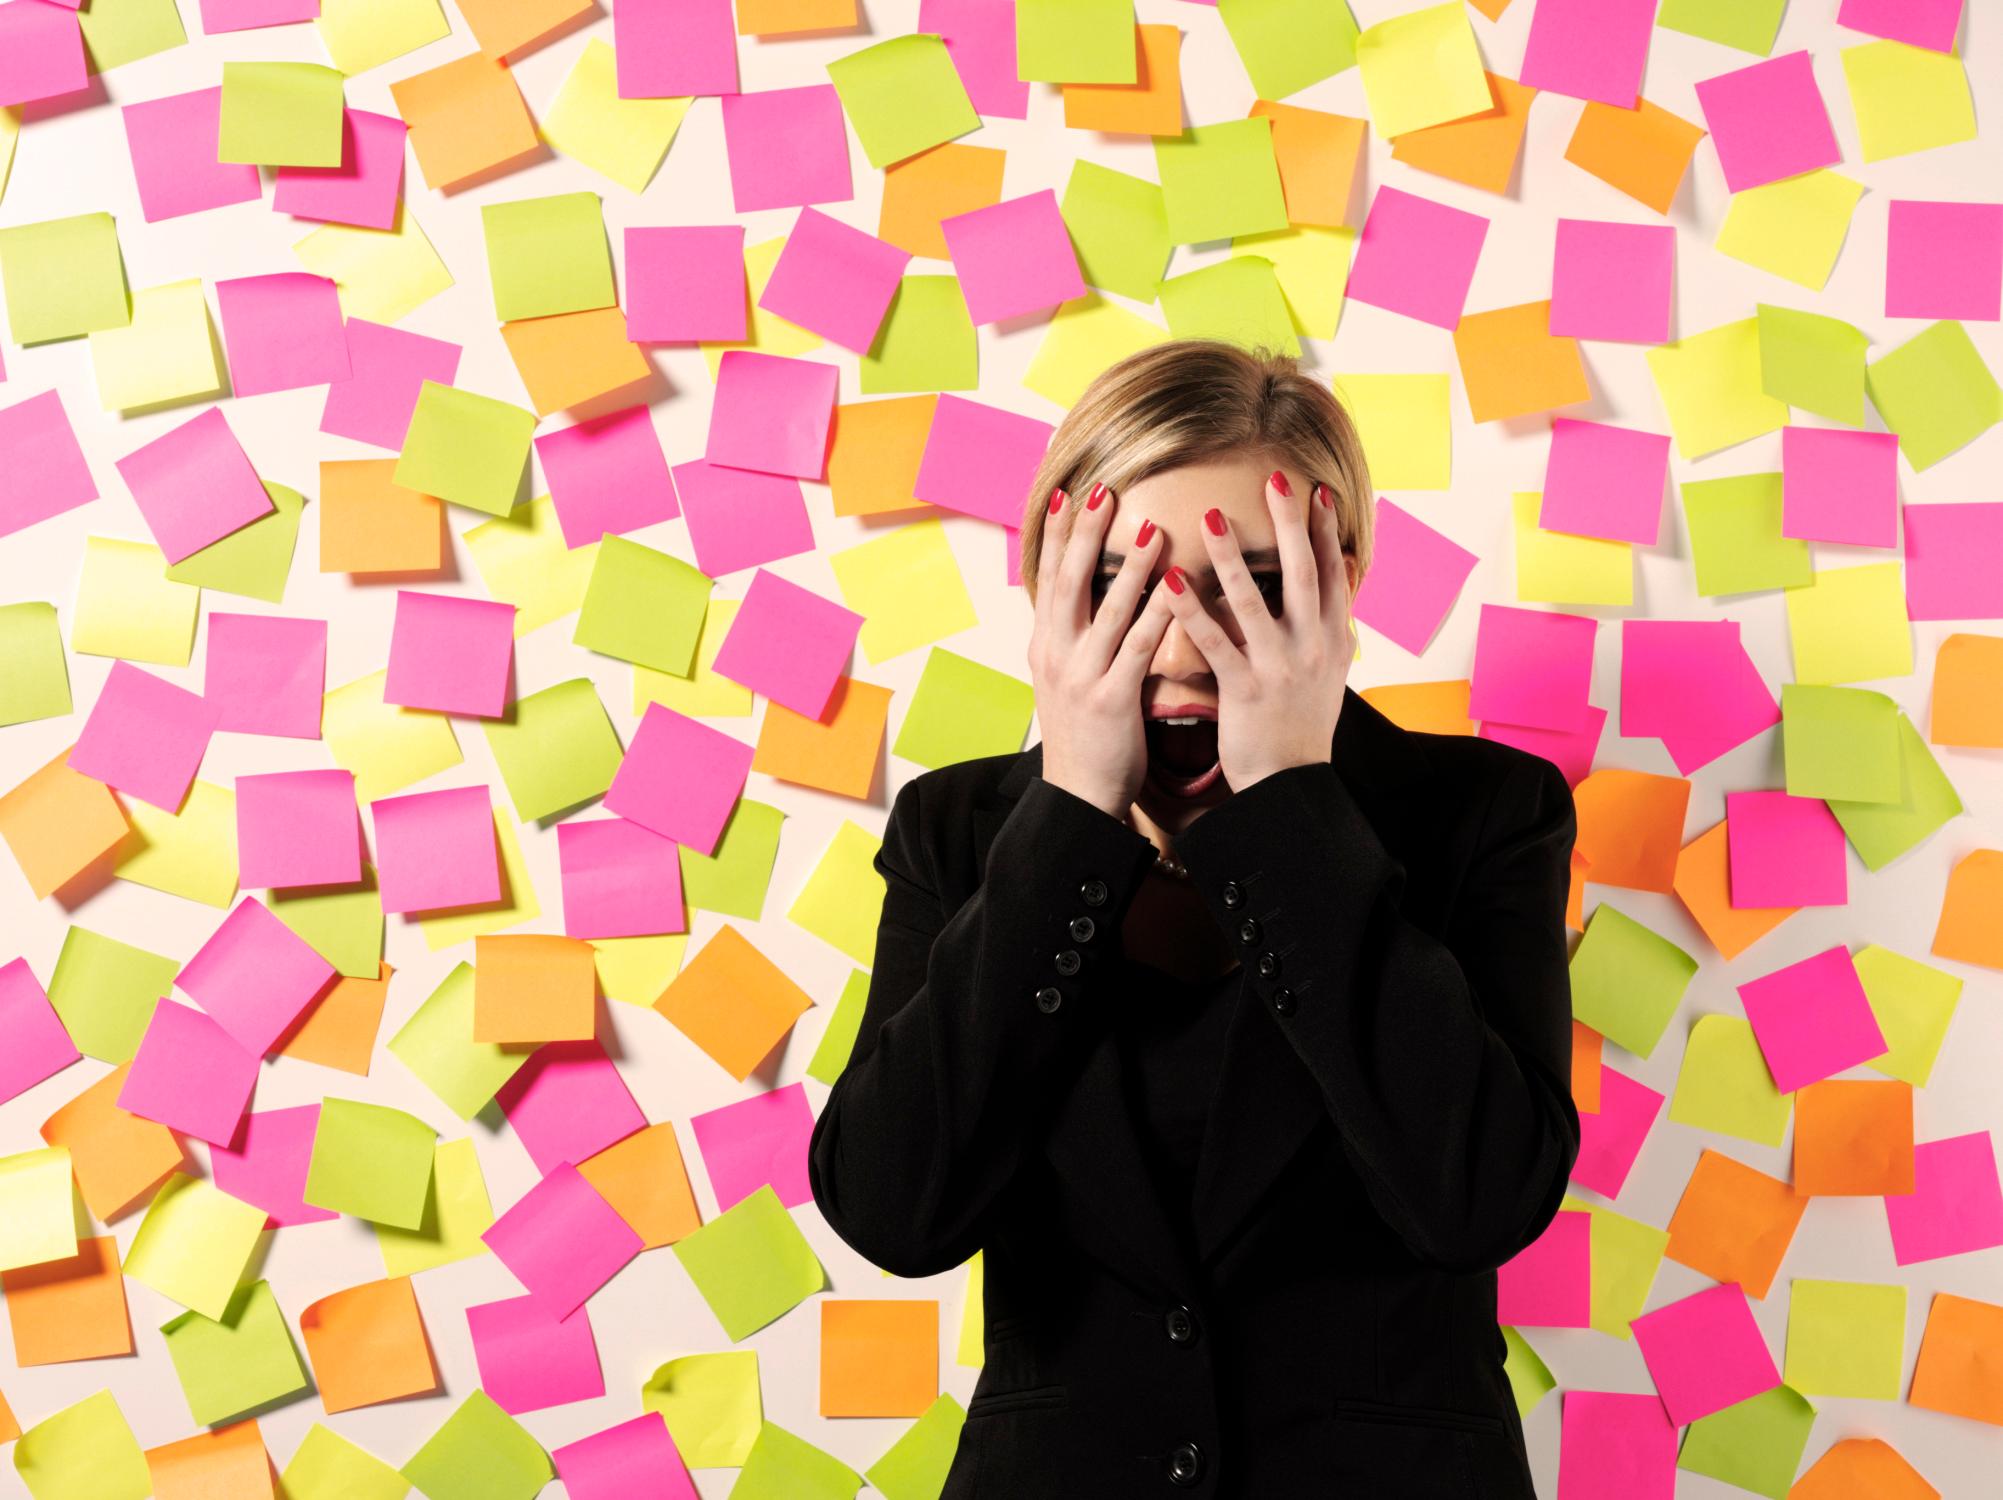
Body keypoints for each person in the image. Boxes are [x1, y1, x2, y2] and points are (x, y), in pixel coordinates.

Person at [807, 339, 1581, 1498]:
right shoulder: (957, 831)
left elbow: (1475, 1200)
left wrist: (1287, 811)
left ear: (1341, 577)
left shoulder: (1481, 814)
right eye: (1121, 582)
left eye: (1252, 585)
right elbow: (893, 1211)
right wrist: (1070, 810)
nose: (1178, 647)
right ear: (1046, 584)